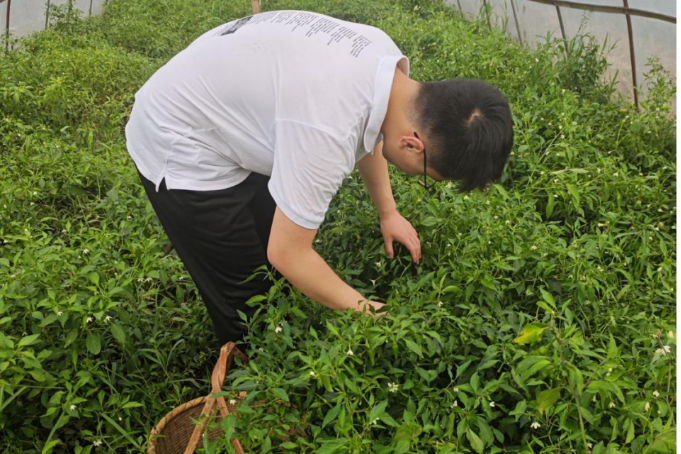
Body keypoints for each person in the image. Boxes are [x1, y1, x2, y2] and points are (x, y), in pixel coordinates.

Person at [125, 10, 514, 346]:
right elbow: (289, 253)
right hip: (178, 141)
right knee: (246, 296)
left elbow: (373, 131)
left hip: (217, 96)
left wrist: (389, 212)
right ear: (413, 145)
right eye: (427, 175)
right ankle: (246, 371)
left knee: (269, 258)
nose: (419, 177)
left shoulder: (386, 66)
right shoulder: (326, 129)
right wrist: (366, 311)